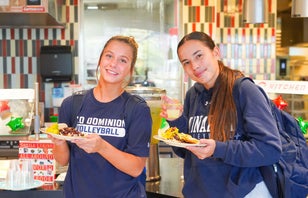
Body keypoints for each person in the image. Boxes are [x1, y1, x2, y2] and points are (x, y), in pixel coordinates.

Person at [160, 31, 282, 198]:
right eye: (186, 62)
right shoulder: (192, 95)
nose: (194, 66)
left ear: (215, 52)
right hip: (199, 192)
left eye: (199, 56)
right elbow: (186, 152)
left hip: (243, 193)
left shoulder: (244, 90)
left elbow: (270, 150)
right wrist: (176, 121)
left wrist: (218, 149)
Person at [49, 35, 152, 198]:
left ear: (130, 70)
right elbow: (62, 160)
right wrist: (59, 143)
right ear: (100, 60)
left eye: (123, 60)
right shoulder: (72, 104)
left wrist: (101, 147)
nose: (113, 64)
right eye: (109, 56)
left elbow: (136, 167)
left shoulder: (137, 109)